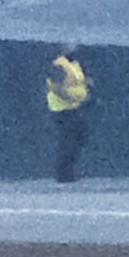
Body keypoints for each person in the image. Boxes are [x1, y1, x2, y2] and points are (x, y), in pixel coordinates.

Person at [45, 44, 92, 183]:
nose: (74, 49)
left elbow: (77, 82)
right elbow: (56, 87)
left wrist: (86, 88)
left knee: (79, 138)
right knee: (68, 141)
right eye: (69, 47)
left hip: (74, 107)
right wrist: (71, 98)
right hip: (62, 109)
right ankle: (64, 174)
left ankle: (68, 171)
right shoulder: (59, 65)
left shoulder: (75, 65)